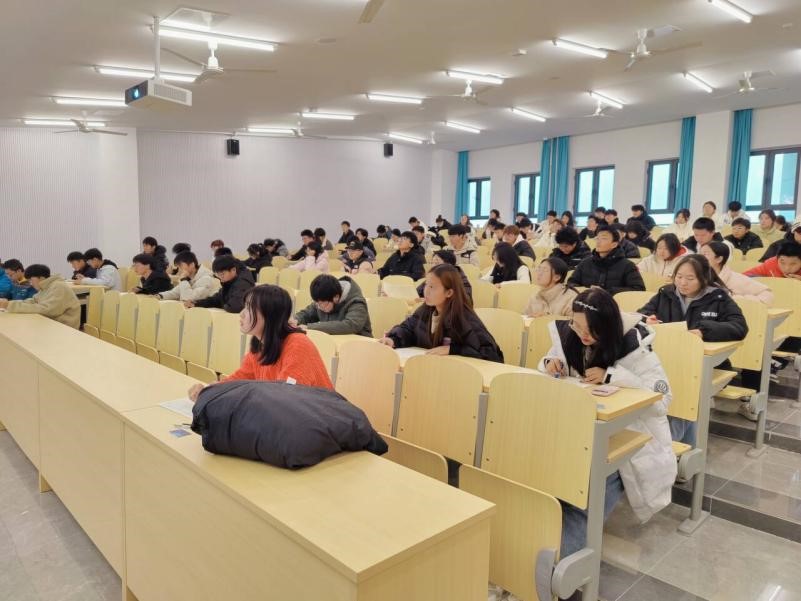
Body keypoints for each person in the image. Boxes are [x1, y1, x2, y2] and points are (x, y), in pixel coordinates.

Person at [539, 288, 676, 554]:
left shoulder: (636, 348)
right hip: (578, 428)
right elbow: (547, 362)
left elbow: (662, 399)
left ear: (608, 325)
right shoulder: (569, 335)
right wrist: (549, 363)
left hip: (626, 434)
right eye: (577, 326)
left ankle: (559, 561)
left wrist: (613, 376)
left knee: (586, 496)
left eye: (591, 329)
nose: (583, 335)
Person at [637, 254, 748, 440]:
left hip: (703, 365)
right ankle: (679, 446)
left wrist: (704, 331)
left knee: (684, 393)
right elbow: (641, 315)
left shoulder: (718, 298)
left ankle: (667, 444)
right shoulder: (666, 293)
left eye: (690, 278)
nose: (682, 283)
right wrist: (647, 320)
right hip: (667, 361)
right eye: (679, 276)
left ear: (703, 278)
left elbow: (739, 327)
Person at [187, 285, 333, 402]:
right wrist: (209, 391)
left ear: (269, 315)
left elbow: (286, 399)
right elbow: (240, 379)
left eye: (249, 308)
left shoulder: (298, 344)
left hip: (320, 423)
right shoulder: (260, 345)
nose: (242, 314)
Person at [380, 264, 503, 362]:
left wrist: (452, 350)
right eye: (426, 285)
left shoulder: (464, 317)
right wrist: (393, 340)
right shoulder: (425, 309)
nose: (426, 291)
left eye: (432, 287)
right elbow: (407, 329)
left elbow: (490, 354)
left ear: (449, 293)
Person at [569, 225, 645, 293]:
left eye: (603, 238)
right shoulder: (585, 263)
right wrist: (586, 291)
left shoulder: (627, 265)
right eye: (597, 238)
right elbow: (571, 283)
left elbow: (638, 289)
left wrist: (607, 292)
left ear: (614, 244)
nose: (598, 242)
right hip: (587, 302)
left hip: (614, 303)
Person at [0, 264, 80, 329]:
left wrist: (9, 305)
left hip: (64, 328)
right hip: (51, 324)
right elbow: (34, 300)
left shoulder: (59, 286)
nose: (31, 283)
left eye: (31, 280)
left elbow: (48, 310)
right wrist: (9, 304)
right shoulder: (45, 286)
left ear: (41, 278)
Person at [291, 274, 372, 336]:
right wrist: (295, 320)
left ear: (336, 297)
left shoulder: (356, 302)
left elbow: (351, 325)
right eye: (317, 303)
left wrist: (310, 327)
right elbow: (306, 314)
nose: (318, 307)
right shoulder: (323, 298)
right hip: (333, 342)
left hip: (360, 345)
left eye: (321, 304)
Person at [700, 243, 773, 305]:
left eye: (705, 254)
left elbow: (767, 295)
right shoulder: (696, 277)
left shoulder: (735, 279)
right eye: (699, 254)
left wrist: (737, 299)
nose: (698, 258)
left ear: (719, 259)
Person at [190, 254, 255, 313]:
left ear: (233, 270)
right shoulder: (229, 281)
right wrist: (196, 303)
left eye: (222, 274)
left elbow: (234, 307)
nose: (220, 278)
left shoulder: (243, 283)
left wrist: (223, 305)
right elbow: (217, 299)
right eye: (218, 275)